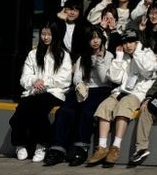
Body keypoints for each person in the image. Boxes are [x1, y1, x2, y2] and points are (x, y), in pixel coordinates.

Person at [86, 29, 157, 168]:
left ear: (137, 43)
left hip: (138, 93)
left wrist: (137, 53)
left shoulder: (147, 53)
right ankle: (102, 147)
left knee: (124, 106)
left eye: (131, 42)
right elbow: (115, 78)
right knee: (105, 105)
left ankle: (115, 147)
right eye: (125, 43)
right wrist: (119, 58)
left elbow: (147, 71)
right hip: (121, 91)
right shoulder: (124, 56)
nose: (128, 46)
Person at [44, 25, 113, 166]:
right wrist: (80, 85)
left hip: (101, 90)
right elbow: (77, 77)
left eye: (97, 38)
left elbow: (104, 79)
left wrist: (99, 61)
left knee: (86, 111)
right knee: (64, 110)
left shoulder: (108, 56)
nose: (95, 41)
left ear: (102, 39)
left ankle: (81, 148)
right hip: (84, 89)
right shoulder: (83, 57)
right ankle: (58, 148)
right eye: (92, 39)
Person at [11, 22, 72, 162]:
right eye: (43, 34)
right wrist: (34, 81)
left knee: (38, 107)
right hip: (34, 91)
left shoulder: (63, 55)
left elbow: (64, 79)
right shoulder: (33, 54)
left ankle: (42, 144)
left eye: (49, 34)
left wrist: (44, 82)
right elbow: (24, 77)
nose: (45, 37)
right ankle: (20, 144)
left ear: (55, 35)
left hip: (53, 92)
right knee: (22, 108)